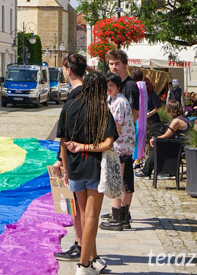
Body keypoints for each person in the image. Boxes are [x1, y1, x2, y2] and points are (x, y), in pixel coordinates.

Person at [56, 70, 117, 275]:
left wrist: (64, 168)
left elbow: (63, 143)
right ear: (100, 89)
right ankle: (83, 266)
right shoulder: (101, 110)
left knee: (82, 215)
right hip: (93, 167)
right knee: (91, 216)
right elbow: (108, 143)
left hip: (73, 168)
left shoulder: (69, 106)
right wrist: (85, 146)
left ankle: (93, 258)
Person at [53, 53, 87, 263]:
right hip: (87, 156)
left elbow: (66, 134)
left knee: (77, 206)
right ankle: (81, 244)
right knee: (82, 207)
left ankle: (81, 244)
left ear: (69, 70)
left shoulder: (74, 98)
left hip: (76, 159)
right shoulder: (91, 93)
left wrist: (61, 160)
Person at [100, 73, 137, 232]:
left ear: (118, 87)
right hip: (121, 145)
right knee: (120, 181)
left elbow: (116, 125)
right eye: (106, 86)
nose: (108, 88)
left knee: (116, 180)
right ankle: (123, 218)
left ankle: (117, 219)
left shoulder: (120, 102)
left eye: (111, 86)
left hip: (119, 146)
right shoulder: (113, 100)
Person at [136, 101, 191, 179]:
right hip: (183, 144)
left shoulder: (176, 121)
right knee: (159, 147)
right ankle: (149, 170)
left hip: (179, 146)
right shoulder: (185, 119)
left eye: (167, 109)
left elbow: (166, 136)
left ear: (171, 110)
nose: (166, 111)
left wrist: (154, 139)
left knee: (158, 149)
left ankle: (146, 171)